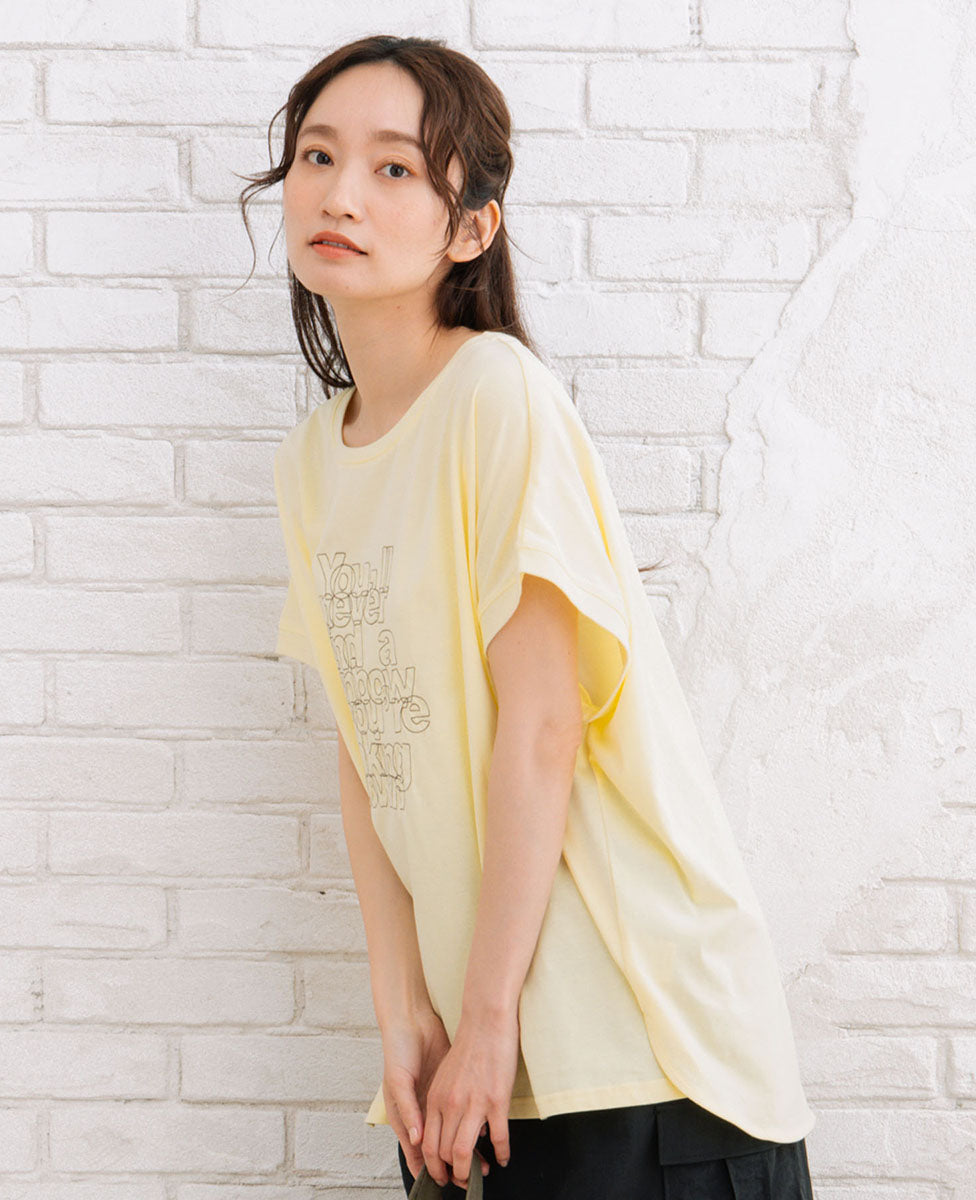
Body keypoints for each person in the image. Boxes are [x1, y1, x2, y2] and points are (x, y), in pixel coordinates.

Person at [245, 33, 817, 1200]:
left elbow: (544, 725)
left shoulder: (496, 397)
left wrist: (488, 1016)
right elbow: (367, 742)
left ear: (471, 228)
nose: (340, 194)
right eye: (317, 156)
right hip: (477, 1055)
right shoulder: (313, 461)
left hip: (633, 1048)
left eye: (394, 168)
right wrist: (403, 1008)